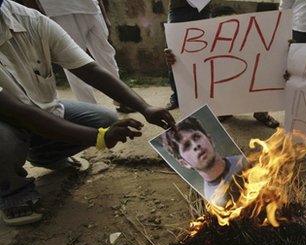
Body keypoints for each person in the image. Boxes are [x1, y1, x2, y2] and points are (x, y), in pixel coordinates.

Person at [0, 0, 175, 225]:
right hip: (8, 120)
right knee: (3, 140)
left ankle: (46, 155)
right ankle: (13, 192)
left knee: (104, 119)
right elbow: (18, 111)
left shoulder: (31, 21)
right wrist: (99, 137)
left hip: (42, 112)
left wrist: (145, 108)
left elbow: (89, 69)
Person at [164, 5, 280, 128]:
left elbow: (270, 59)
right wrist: (175, 61)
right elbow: (191, 71)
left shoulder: (253, 40)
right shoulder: (203, 47)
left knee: (261, 72)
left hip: (246, 80)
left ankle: (261, 112)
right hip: (224, 84)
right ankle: (224, 110)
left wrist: (287, 51)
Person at [32, 0, 133, 112]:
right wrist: (38, 17)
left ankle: (122, 99)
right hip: (59, 12)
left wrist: (104, 15)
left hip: (92, 8)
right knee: (73, 63)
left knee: (107, 57)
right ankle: (92, 110)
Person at [162, 116, 244, 206]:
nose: (195, 145)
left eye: (196, 137)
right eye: (187, 145)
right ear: (185, 163)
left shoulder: (246, 163)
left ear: (210, 140)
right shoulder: (213, 201)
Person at [165, 0, 212, 111]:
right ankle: (177, 96)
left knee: (205, 54)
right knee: (173, 54)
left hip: (202, 8)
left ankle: (204, 95)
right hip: (178, 8)